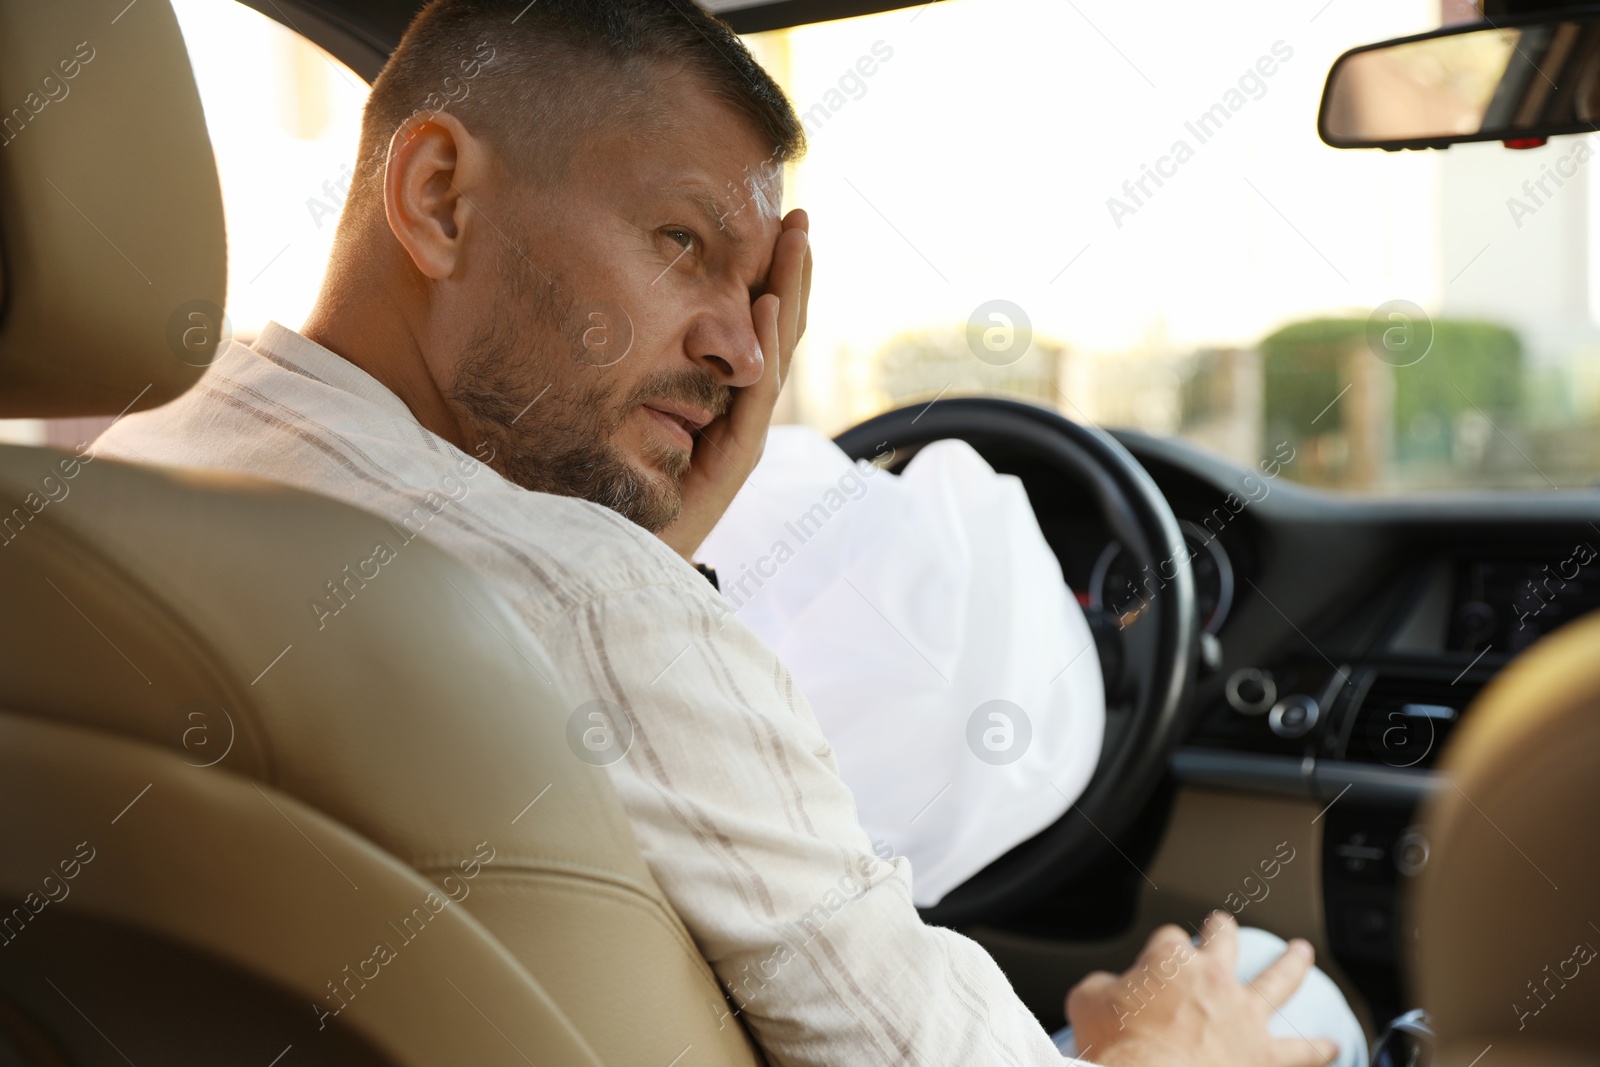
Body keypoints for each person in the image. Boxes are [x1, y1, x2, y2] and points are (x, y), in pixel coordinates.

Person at [95, 2, 1355, 1064]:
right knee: (1288, 1001)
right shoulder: (587, 608)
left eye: (756, 293)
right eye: (681, 243)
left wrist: (655, 546)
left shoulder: (123, 481)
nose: (744, 348)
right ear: (436, 200)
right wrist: (1170, 1041)